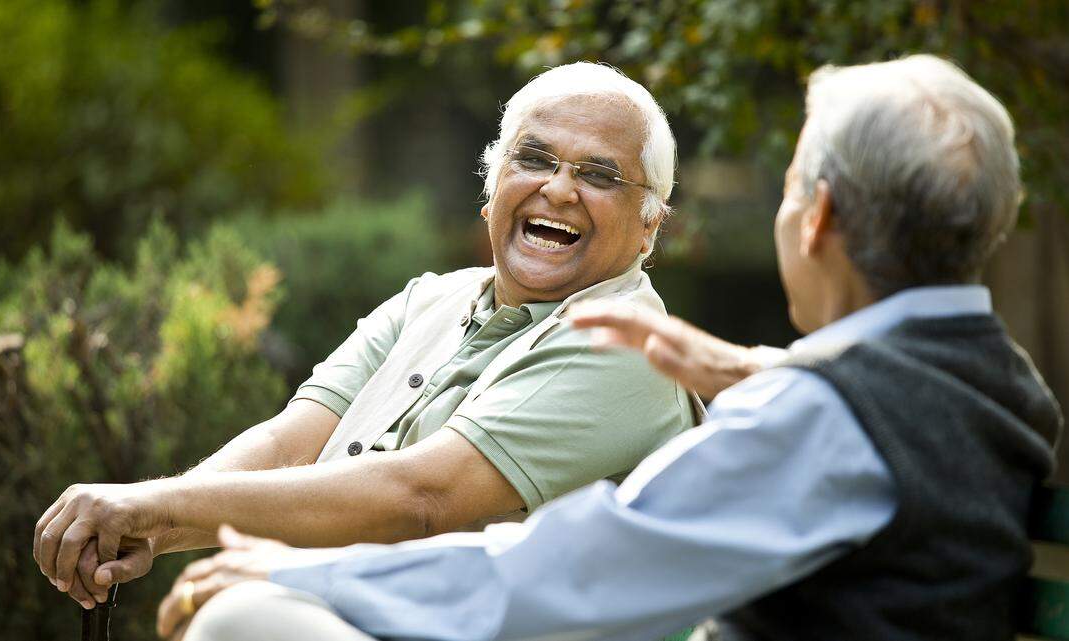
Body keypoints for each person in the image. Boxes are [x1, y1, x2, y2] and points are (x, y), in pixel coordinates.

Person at [155, 54, 1063, 641]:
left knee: (251, 618)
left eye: (787, 189)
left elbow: (579, 565)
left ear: (817, 214)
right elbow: (886, 420)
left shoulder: (828, 419)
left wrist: (308, 566)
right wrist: (758, 369)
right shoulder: (1000, 380)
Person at [33, 62, 728, 610]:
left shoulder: (628, 344)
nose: (559, 188)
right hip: (363, 609)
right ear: (492, 189)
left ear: (649, 224)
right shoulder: (428, 298)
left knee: (238, 617)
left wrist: (157, 505)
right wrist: (146, 525)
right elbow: (286, 444)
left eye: (599, 173)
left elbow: (422, 500)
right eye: (535, 159)